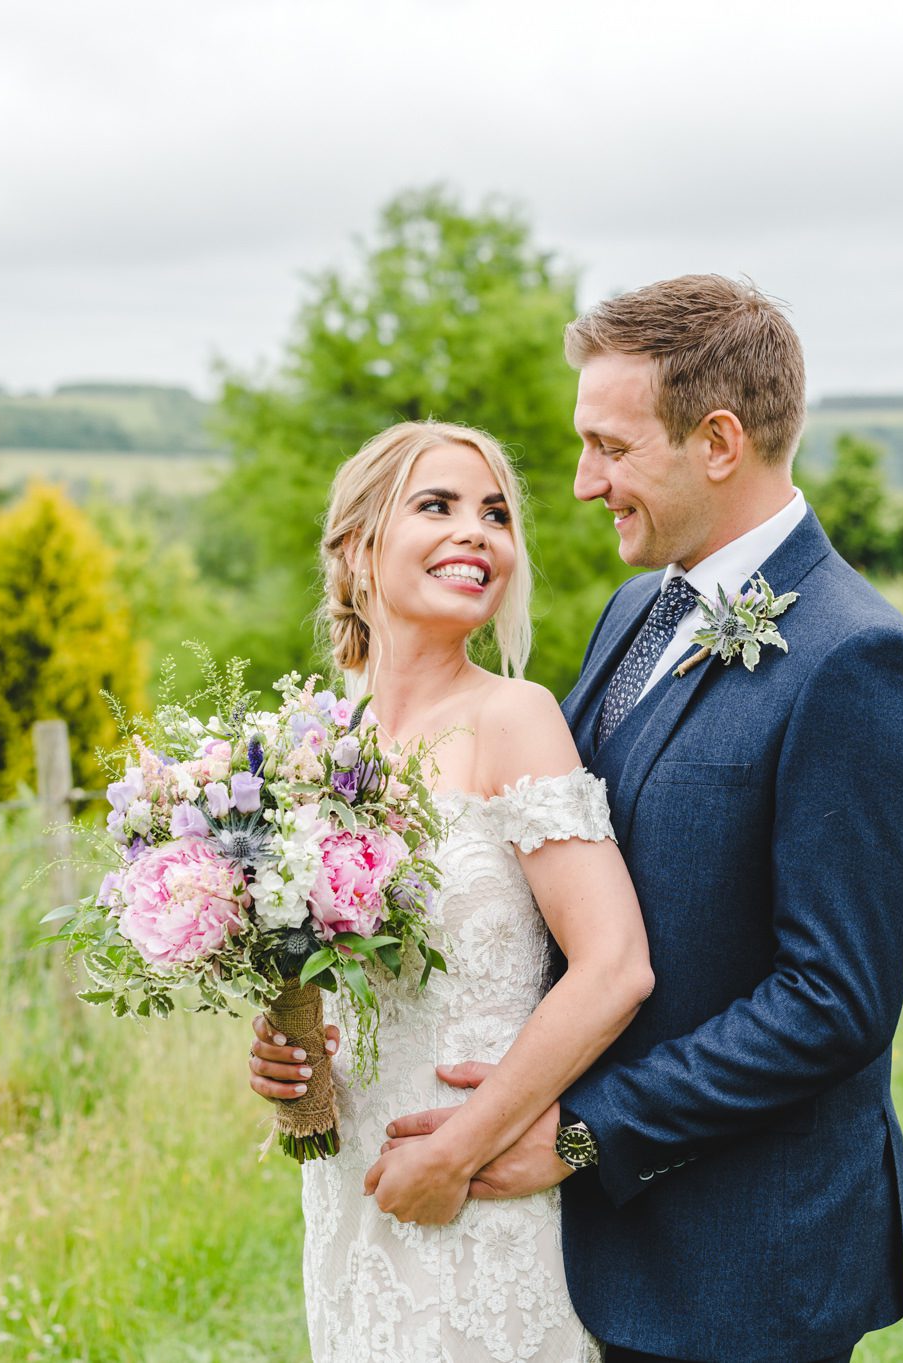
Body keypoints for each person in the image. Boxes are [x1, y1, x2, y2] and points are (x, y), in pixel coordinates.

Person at [257, 276, 903, 1363]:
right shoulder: (641, 609)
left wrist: (581, 1133)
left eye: (609, 447)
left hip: (735, 1261)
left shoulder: (855, 661)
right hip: (573, 1241)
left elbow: (833, 1001)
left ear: (716, 441)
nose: (582, 485)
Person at [253, 418, 656, 1361]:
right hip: (354, 1182)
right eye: (436, 506)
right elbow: (328, 964)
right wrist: (287, 1049)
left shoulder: (513, 717)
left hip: (476, 1182)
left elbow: (616, 967)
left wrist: (459, 1147)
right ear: (355, 551)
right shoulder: (321, 742)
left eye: (496, 514)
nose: (477, 532)